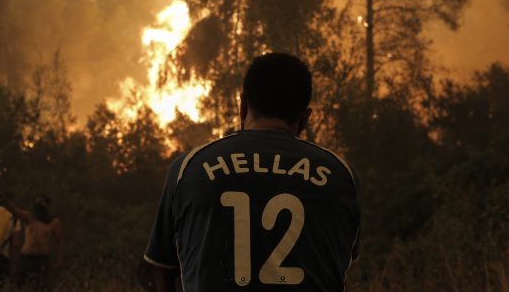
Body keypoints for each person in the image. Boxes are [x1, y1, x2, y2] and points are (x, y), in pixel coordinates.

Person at [144, 52, 361, 292]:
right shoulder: (340, 176)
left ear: (243, 105)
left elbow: (161, 272)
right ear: (305, 117)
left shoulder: (189, 168)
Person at [7, 195, 63, 291]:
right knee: (16, 284)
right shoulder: (30, 217)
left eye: (42, 203)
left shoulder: (54, 222)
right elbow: (16, 211)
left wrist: (60, 259)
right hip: (26, 256)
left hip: (41, 259)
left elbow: (59, 241)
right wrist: (7, 200)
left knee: (41, 286)